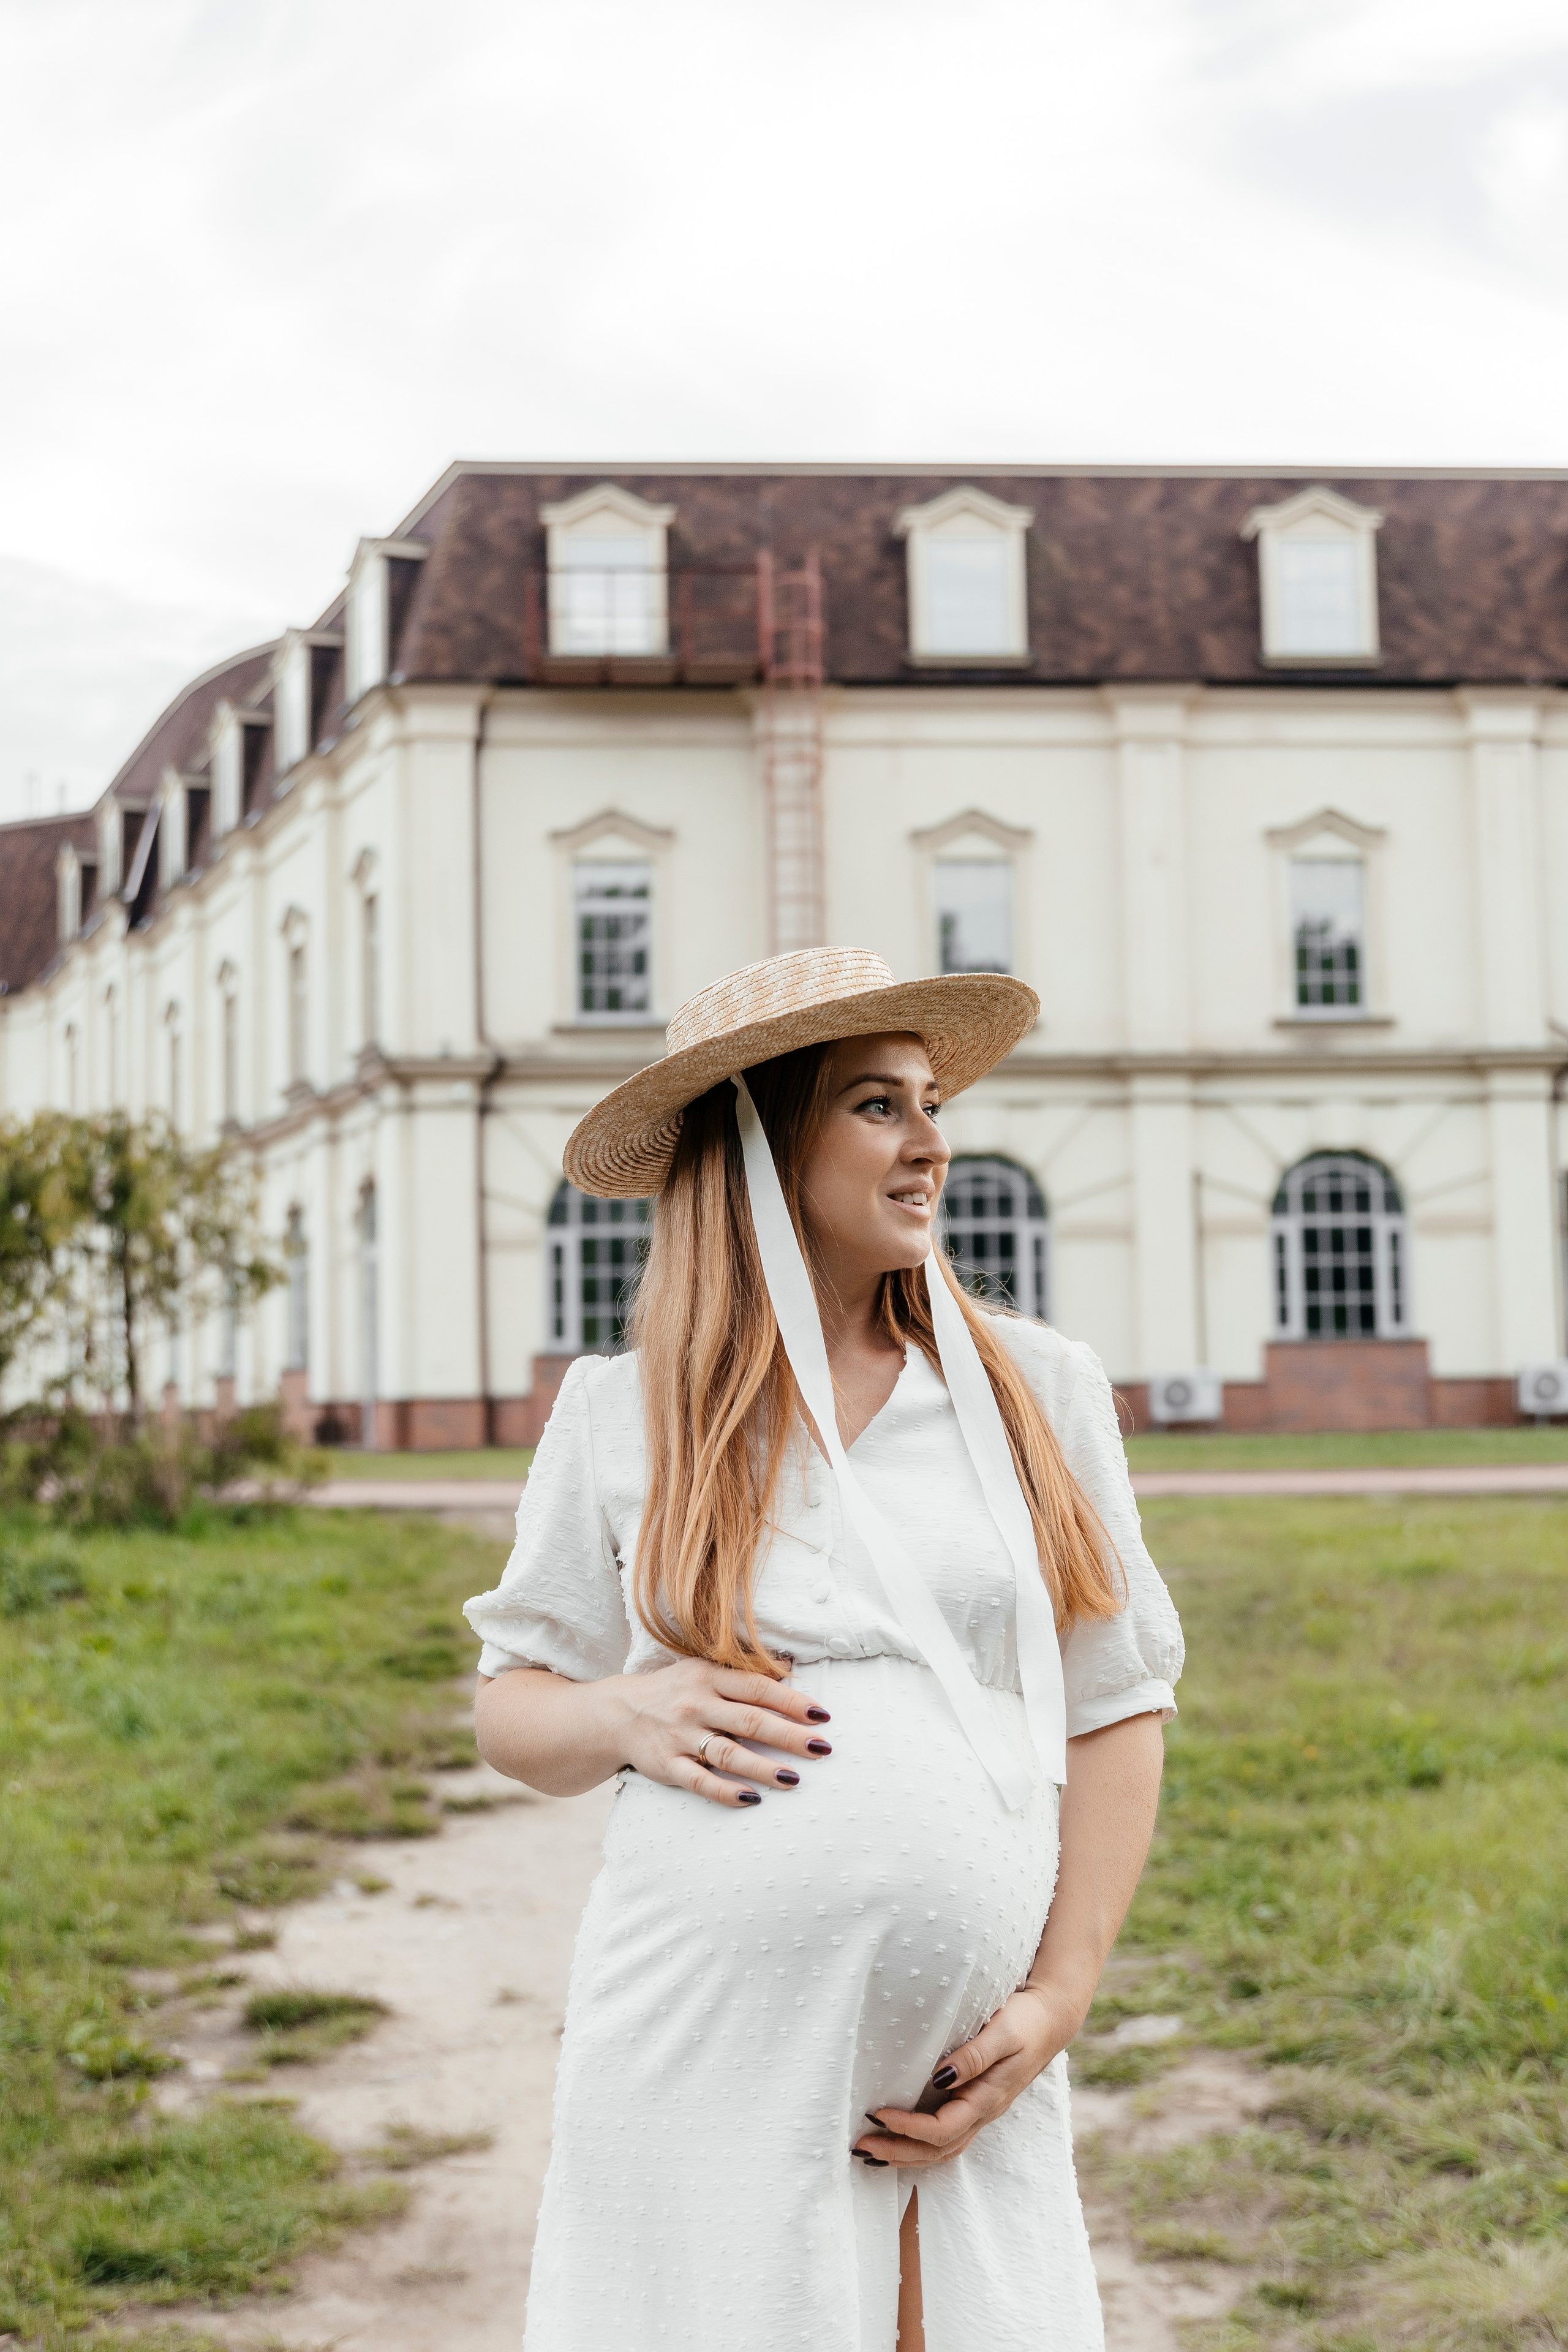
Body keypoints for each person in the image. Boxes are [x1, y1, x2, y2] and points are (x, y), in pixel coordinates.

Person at [466, 946, 1183, 2352]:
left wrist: (1058, 1993)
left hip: (949, 2064)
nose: (933, 1143)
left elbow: (1116, 1704)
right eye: (877, 1106)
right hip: (690, 2035)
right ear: (759, 1145)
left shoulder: (1037, 1391)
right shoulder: (621, 1415)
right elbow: (513, 1711)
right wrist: (623, 1714)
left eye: (929, 1102)